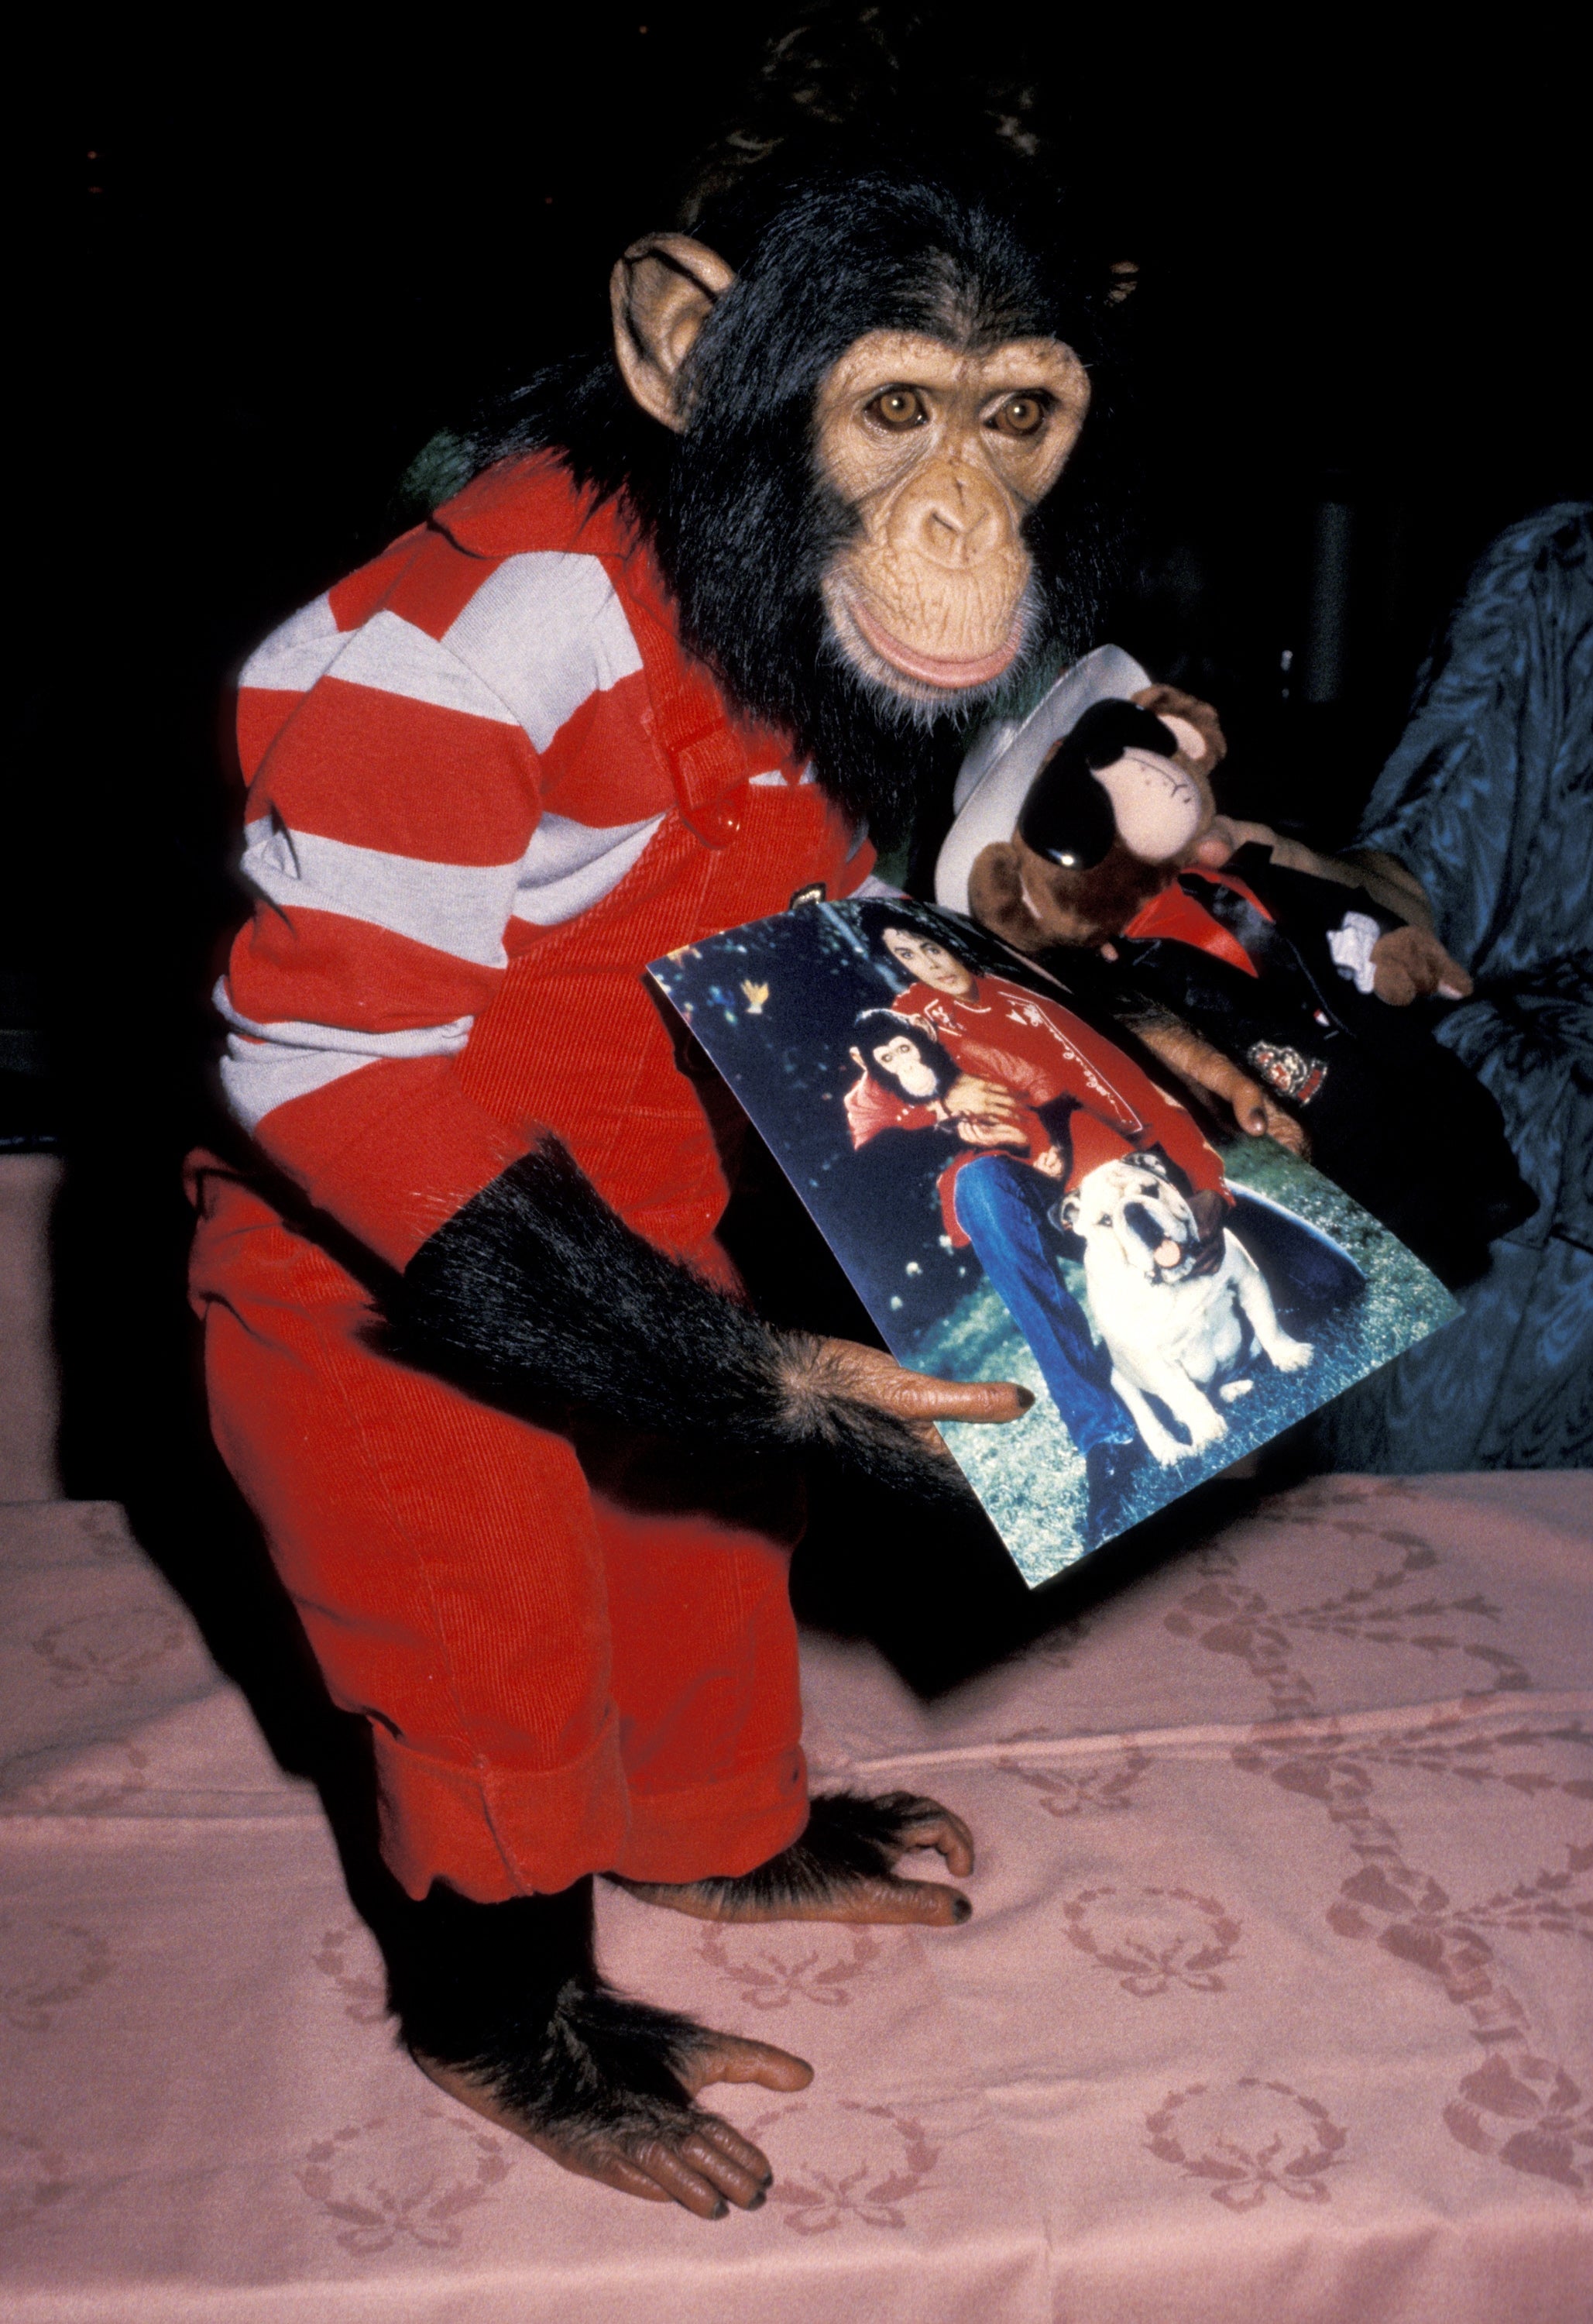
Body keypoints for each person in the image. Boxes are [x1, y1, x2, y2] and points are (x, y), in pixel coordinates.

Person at [843, 922, 1231, 1532]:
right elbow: (869, 1162)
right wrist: (941, 1108)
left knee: (1315, 1282)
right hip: (1016, 1191)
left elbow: (1081, 1091)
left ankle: (1156, 1348)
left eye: (930, 947)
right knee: (980, 1189)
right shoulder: (895, 1047)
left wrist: (1205, 1184)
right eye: (905, 957)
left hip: (1099, 1170)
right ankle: (1104, 1435)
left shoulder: (1013, 1011)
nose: (928, 965)